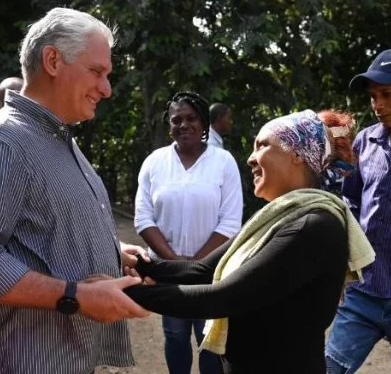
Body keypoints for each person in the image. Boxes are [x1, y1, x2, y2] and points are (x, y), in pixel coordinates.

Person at [0, 7, 150, 374]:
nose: (106, 89)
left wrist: (112, 250)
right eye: (97, 72)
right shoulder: (2, 142)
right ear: (53, 60)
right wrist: (75, 296)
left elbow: (37, 228)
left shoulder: (57, 138)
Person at [125, 109, 376, 374]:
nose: (250, 159)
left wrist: (122, 294)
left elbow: (223, 297)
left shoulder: (312, 226)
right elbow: (202, 270)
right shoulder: (275, 219)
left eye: (262, 146)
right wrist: (138, 264)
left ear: (297, 155)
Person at [325, 49, 391, 373]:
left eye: (386, 94)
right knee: (327, 369)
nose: (378, 104)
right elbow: (351, 205)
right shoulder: (365, 142)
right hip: (363, 293)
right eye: (372, 97)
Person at [134, 91, 244, 374]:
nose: (184, 125)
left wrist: (197, 264)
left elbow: (230, 222)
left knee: (209, 338)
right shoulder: (155, 162)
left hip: (212, 271)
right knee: (175, 334)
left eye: (191, 118)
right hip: (167, 271)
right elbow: (143, 218)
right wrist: (174, 262)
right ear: (169, 126)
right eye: (176, 120)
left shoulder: (223, 162)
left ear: (204, 122)